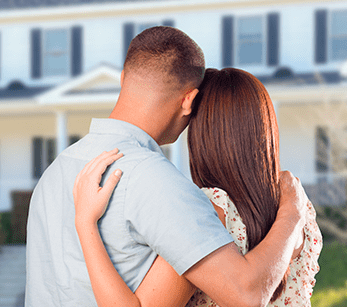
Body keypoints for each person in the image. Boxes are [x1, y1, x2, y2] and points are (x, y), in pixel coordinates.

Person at [25, 26, 308, 307]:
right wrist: (292, 212)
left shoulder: (55, 172)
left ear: (123, 79)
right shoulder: (157, 181)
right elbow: (245, 295)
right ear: (189, 101)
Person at [73, 68, 322, 306]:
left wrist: (85, 222)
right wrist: (292, 211)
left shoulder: (211, 209)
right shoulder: (298, 206)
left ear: (202, 135)